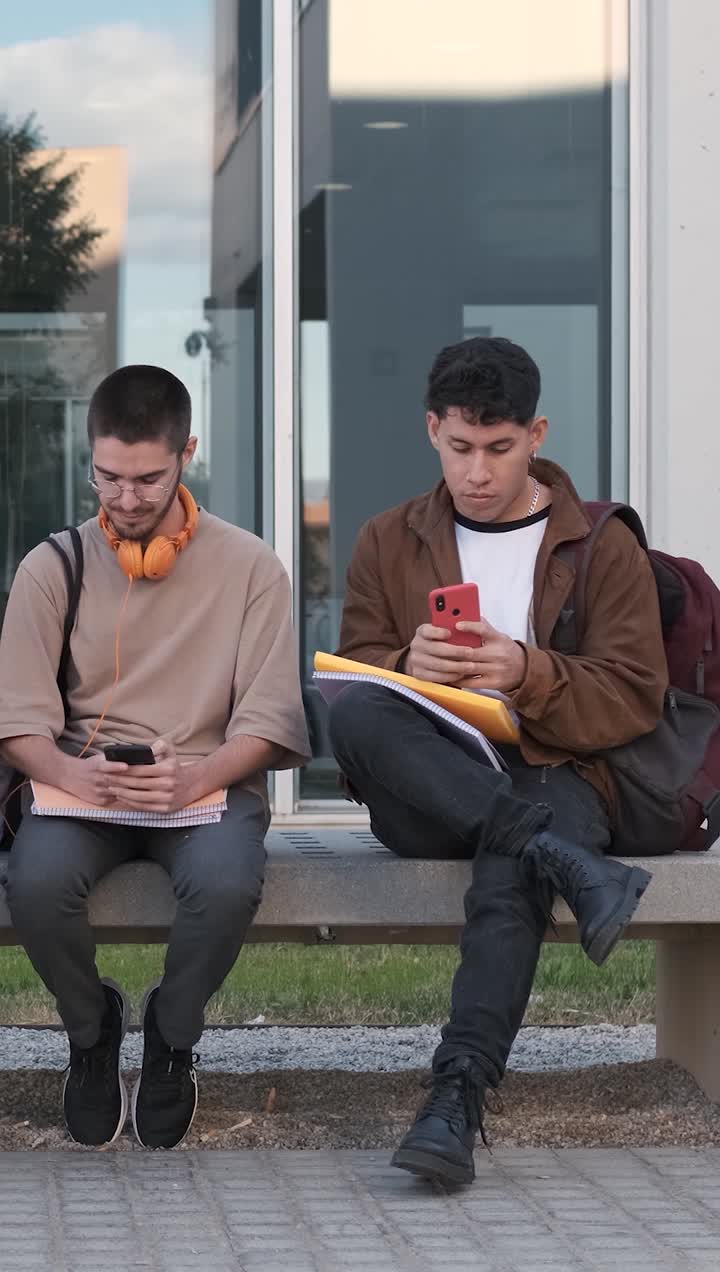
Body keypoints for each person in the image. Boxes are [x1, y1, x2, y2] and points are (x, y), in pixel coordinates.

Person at [328, 337, 668, 1188]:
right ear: (432, 431)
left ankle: (456, 1096)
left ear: (537, 434)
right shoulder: (386, 540)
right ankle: (562, 860)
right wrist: (410, 670)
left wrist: (527, 671)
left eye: (500, 449)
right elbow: (356, 677)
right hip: (436, 786)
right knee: (364, 712)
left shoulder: (600, 544)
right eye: (459, 448)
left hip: (557, 769)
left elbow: (635, 695)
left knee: (513, 857)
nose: (477, 472)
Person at [0, 365, 310, 1149]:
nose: (126, 498)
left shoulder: (251, 568)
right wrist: (71, 773)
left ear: (187, 455)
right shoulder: (50, 568)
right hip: (83, 788)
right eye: (108, 477)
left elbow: (272, 725)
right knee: (34, 882)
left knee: (227, 882)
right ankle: (92, 1029)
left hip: (205, 787)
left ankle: (172, 1038)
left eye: (147, 479)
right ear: (90, 462)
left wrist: (197, 778)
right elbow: (16, 724)